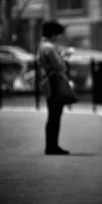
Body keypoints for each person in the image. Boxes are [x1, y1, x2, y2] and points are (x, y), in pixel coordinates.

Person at [37, 20, 70, 155]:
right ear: (52, 34)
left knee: (53, 116)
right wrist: (64, 58)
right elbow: (60, 66)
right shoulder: (49, 48)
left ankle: (51, 145)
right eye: (57, 34)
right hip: (54, 83)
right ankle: (52, 146)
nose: (58, 37)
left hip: (48, 83)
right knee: (55, 116)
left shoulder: (41, 46)